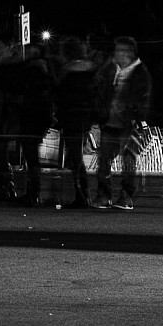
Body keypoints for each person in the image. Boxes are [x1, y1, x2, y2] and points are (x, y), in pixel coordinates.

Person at [90, 35, 153, 210]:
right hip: (110, 122)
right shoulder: (112, 69)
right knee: (104, 161)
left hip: (128, 124)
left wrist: (137, 118)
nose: (115, 53)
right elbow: (101, 90)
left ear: (127, 53)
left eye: (118, 50)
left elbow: (143, 99)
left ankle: (125, 197)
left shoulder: (140, 73)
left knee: (128, 161)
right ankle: (104, 196)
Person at [0, 45, 55, 207]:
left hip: (31, 117)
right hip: (35, 117)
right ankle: (31, 193)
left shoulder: (33, 71)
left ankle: (32, 194)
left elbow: (24, 93)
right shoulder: (42, 70)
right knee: (30, 156)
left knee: (31, 156)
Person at [48, 44, 98, 208]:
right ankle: (84, 194)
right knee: (76, 156)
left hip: (71, 118)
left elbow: (59, 95)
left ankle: (82, 195)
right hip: (84, 117)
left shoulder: (67, 73)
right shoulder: (91, 71)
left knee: (75, 157)